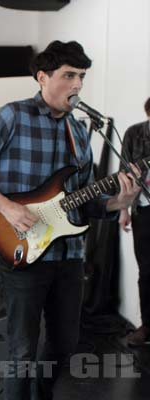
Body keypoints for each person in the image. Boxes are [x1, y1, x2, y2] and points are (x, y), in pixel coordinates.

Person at [0, 40, 140, 400]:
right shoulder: (12, 116)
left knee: (65, 345)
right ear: (42, 77)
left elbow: (87, 201)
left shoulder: (80, 133)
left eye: (81, 76)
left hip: (68, 256)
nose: (78, 85)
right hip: (22, 250)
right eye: (69, 75)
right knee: (21, 350)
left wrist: (119, 200)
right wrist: (3, 205)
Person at [119, 97, 150, 347]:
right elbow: (123, 174)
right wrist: (123, 210)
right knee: (147, 270)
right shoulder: (134, 134)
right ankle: (147, 326)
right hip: (144, 210)